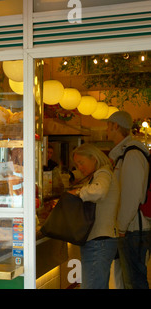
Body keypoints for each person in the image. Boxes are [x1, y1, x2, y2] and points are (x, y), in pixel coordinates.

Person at [106, 110, 150, 289]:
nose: (106, 131)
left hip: (134, 229)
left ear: (115, 126)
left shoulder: (132, 154)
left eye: (108, 126)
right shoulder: (127, 153)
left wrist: (122, 227)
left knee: (134, 281)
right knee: (131, 280)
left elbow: (132, 194)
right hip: (133, 228)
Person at [69, 143, 119, 289]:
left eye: (81, 163)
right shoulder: (103, 173)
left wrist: (78, 193)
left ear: (94, 158)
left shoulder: (103, 173)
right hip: (101, 240)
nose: (80, 167)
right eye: (77, 165)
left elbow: (99, 191)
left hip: (99, 241)